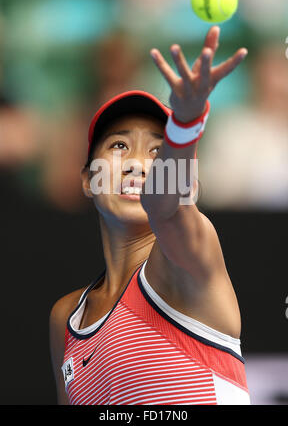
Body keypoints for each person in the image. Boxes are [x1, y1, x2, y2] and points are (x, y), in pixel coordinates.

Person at [49, 25, 250, 405]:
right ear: (88, 180)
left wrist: (187, 122)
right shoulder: (64, 317)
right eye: (119, 145)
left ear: (186, 185)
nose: (138, 164)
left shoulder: (188, 259)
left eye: (158, 153)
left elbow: (162, 205)